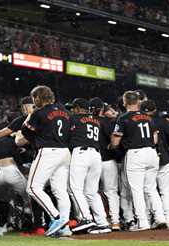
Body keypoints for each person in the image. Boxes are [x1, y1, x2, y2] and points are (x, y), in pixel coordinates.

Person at [110, 93, 166, 231]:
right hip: (152, 153)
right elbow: (155, 140)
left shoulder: (123, 118)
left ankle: (143, 222)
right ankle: (160, 218)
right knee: (151, 188)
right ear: (138, 102)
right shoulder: (148, 117)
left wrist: (112, 142)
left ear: (125, 102)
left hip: (135, 154)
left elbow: (116, 142)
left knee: (137, 190)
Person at [21, 85, 72, 237]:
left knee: (32, 188)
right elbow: (72, 131)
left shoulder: (39, 112)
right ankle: (65, 228)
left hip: (48, 151)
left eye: (34, 98)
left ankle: (57, 218)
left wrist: (35, 139)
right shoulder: (65, 112)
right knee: (60, 191)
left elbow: (25, 130)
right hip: (64, 152)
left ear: (37, 98)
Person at [68, 98, 111, 234]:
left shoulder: (74, 118)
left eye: (74, 108)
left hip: (81, 153)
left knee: (74, 188)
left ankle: (86, 218)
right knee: (91, 192)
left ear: (78, 108)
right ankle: (103, 223)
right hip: (96, 156)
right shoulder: (97, 121)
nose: (72, 110)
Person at [97, 100, 121, 231]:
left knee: (92, 193)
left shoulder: (89, 121)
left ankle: (101, 220)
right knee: (111, 192)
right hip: (107, 160)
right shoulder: (107, 122)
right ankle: (115, 221)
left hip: (93, 160)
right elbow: (113, 140)